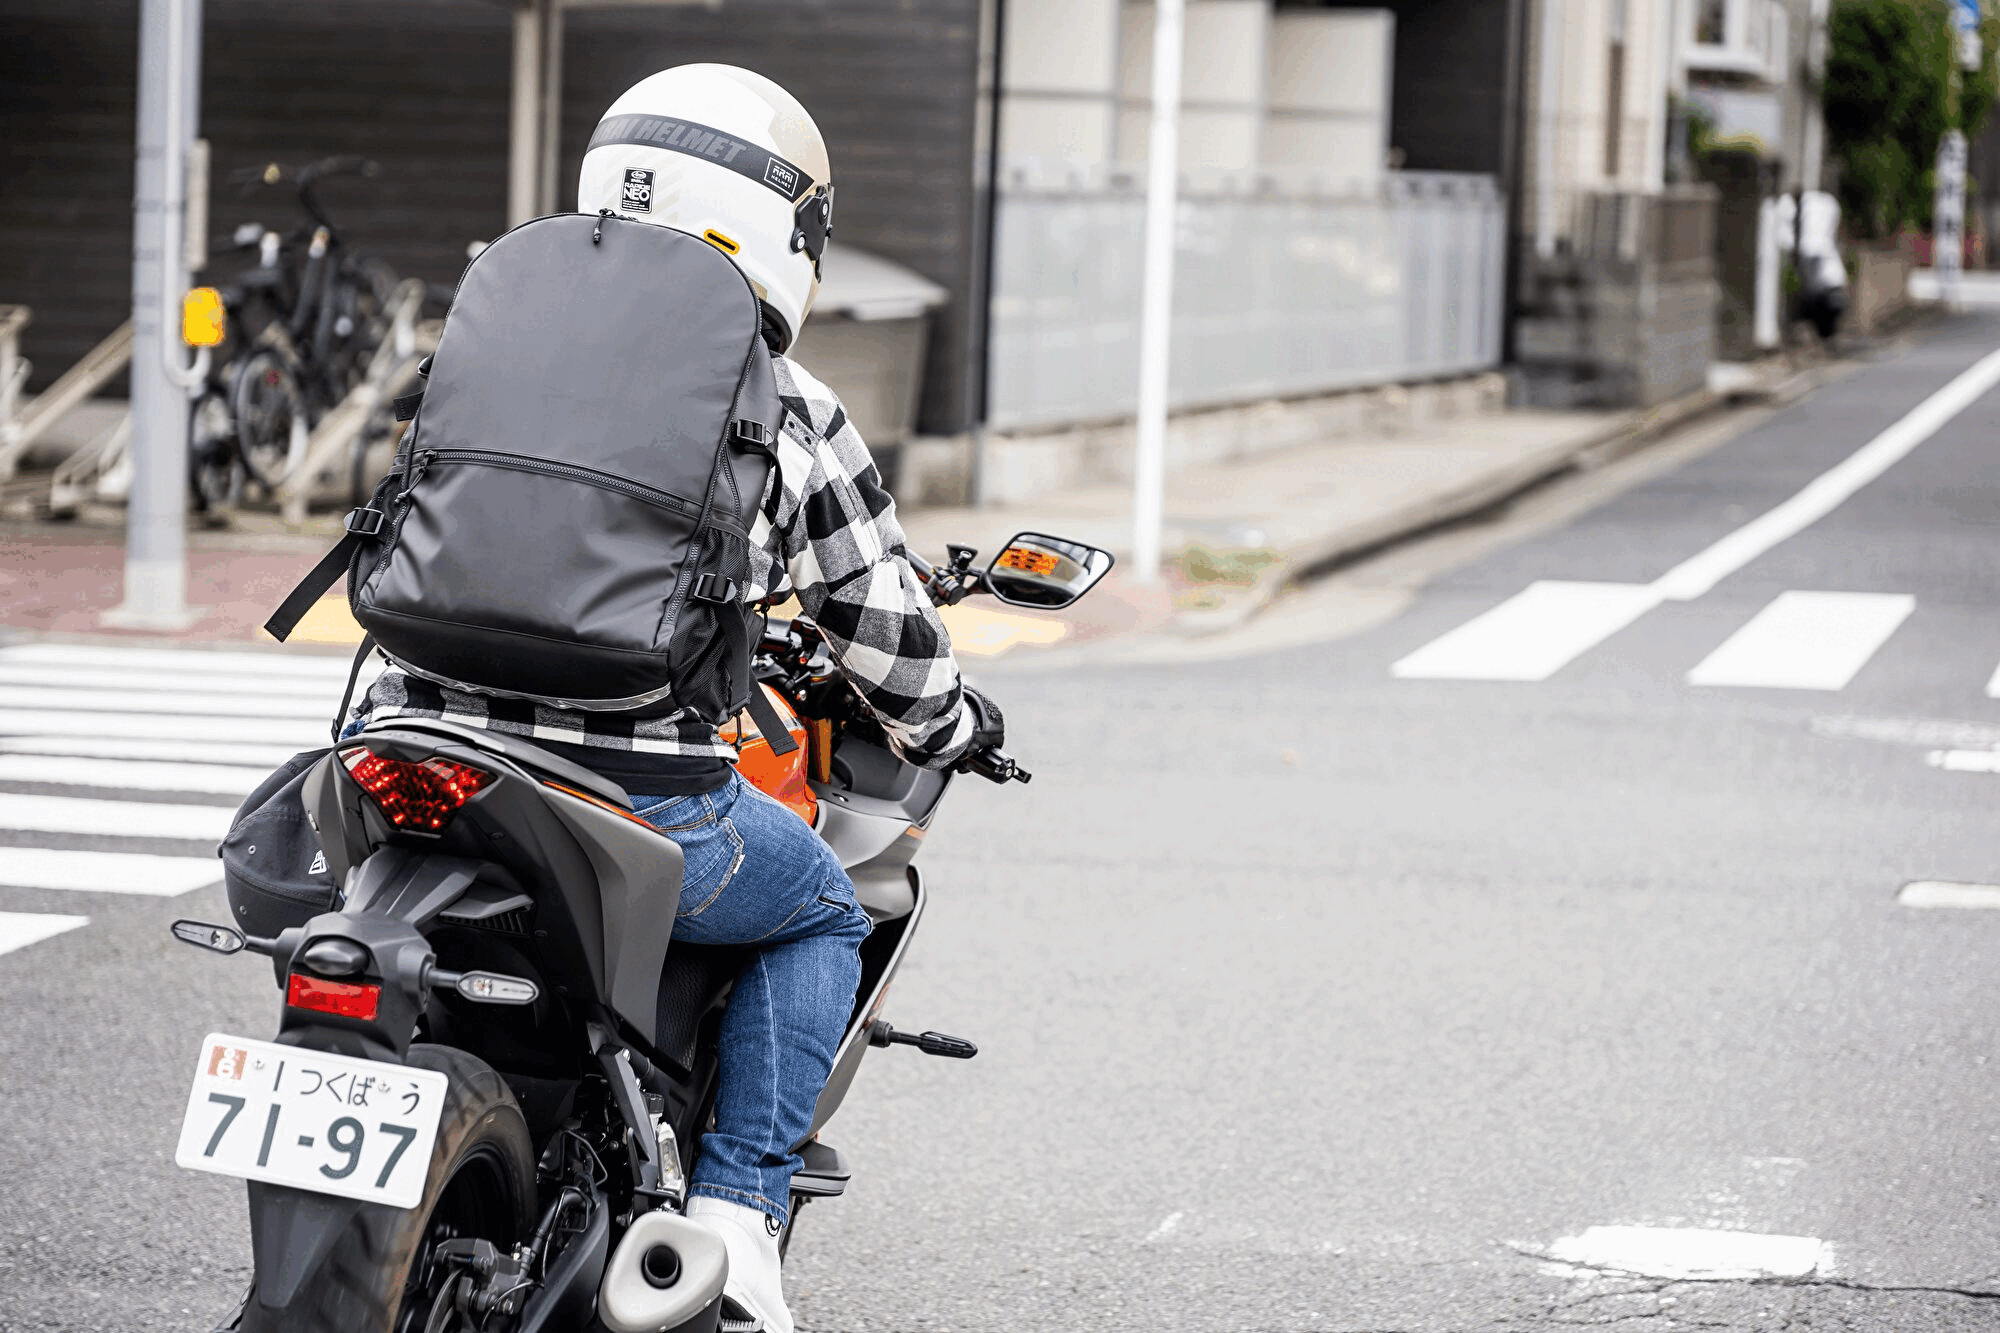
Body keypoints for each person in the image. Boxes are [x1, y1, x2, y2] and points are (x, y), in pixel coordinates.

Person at [346, 64, 1000, 1333]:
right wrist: (950, 723)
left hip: (405, 748)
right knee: (819, 908)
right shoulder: (782, 398)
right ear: (773, 230)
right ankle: (737, 1222)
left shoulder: (483, 350)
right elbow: (879, 626)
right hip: (635, 794)